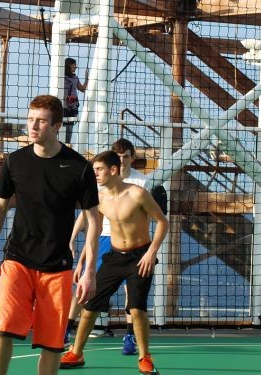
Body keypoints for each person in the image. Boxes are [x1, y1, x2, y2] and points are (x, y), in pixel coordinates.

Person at [0, 95, 101, 375]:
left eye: (42, 121)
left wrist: (89, 272)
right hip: (17, 260)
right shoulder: (14, 162)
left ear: (57, 125)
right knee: (3, 329)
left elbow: (93, 220)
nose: (33, 126)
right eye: (30, 119)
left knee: (52, 344)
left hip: (57, 267)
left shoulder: (79, 167)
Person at [60, 151, 169, 375]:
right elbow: (95, 231)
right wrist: (83, 260)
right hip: (114, 256)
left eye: (98, 170)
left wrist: (151, 252)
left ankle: (144, 358)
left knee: (137, 309)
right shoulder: (99, 198)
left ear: (113, 170)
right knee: (89, 307)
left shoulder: (138, 194)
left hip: (140, 258)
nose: (95, 174)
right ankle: (76, 353)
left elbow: (162, 222)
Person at [66, 138, 149, 355]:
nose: (122, 161)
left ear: (132, 158)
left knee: (132, 296)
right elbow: (89, 217)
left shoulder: (141, 184)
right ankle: (67, 331)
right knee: (85, 287)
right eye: (118, 157)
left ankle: (131, 336)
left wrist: (150, 250)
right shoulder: (100, 187)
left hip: (133, 249)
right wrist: (74, 240)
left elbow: (156, 220)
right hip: (104, 240)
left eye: (125, 157)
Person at [62, 58, 87, 145]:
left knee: (69, 130)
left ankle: (67, 144)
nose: (75, 68)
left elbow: (82, 89)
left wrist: (87, 79)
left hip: (72, 108)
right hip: (63, 107)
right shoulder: (61, 77)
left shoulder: (75, 78)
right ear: (69, 66)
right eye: (74, 66)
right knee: (62, 128)